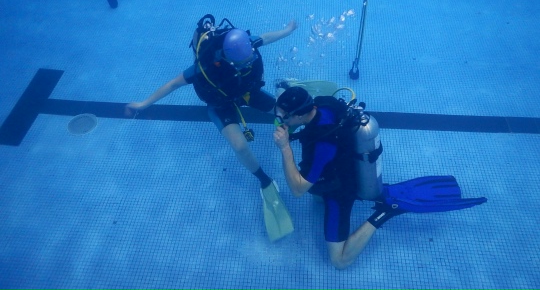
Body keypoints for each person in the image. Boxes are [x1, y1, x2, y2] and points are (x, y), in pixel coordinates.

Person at [272, 86, 486, 269]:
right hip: (345, 165)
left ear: (299, 115)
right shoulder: (323, 104)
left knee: (340, 261)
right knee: (316, 197)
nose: (280, 119)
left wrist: (285, 148)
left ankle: (386, 212)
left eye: (284, 116)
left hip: (340, 190)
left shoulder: (323, 144)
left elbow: (298, 190)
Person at [126, 15, 297, 241]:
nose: (249, 64)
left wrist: (287, 30)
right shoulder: (204, 67)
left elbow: (265, 37)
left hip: (246, 91)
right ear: (228, 59)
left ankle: (282, 89)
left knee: (284, 112)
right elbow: (173, 83)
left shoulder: (246, 44)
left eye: (251, 59)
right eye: (243, 63)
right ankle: (264, 181)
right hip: (220, 103)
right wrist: (143, 104)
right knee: (239, 146)